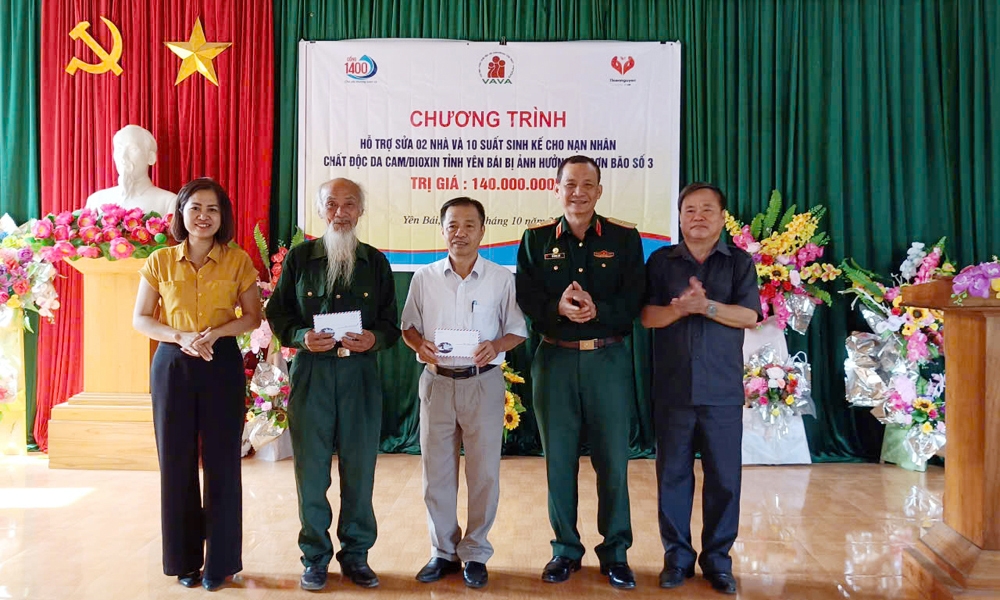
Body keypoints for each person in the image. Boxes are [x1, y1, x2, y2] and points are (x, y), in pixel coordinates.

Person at [515, 155, 645, 589]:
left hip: (606, 359)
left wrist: (597, 310)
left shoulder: (625, 239)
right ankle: (565, 550)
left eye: (588, 184)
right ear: (557, 188)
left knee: (613, 460)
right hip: (554, 359)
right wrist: (558, 308)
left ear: (599, 190)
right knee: (559, 461)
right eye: (570, 183)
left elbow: (633, 301)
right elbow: (528, 300)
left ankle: (616, 552)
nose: (579, 192)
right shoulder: (535, 240)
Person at [266, 178, 400, 591]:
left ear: (361, 210)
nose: (340, 212)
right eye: (331, 205)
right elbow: (278, 313)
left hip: (360, 375)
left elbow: (390, 325)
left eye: (349, 205)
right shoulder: (301, 257)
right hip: (312, 375)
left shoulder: (374, 261)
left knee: (360, 470)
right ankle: (315, 557)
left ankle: (356, 556)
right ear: (320, 210)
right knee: (311, 472)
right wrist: (299, 336)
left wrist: (374, 339)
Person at [133, 177, 262, 591]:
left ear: (222, 217)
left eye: (212, 210)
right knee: (176, 463)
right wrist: (180, 337)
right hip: (173, 363)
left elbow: (252, 317)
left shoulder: (237, 260)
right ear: (182, 214)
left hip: (220, 361)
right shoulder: (159, 261)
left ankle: (220, 564)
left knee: (224, 463)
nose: (203, 217)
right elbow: (142, 318)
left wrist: (218, 332)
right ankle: (184, 561)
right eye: (195, 208)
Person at [640, 182, 762, 595]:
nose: (698, 217)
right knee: (672, 477)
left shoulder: (740, 262)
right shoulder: (660, 262)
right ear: (679, 217)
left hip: (722, 389)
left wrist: (706, 306)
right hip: (672, 389)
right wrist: (680, 309)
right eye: (690, 210)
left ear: (723, 217)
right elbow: (646, 318)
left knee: (724, 479)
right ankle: (676, 559)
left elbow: (748, 315)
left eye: (707, 210)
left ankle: (717, 561)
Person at [400, 197, 527, 588]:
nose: (461, 233)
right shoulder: (424, 278)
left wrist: (497, 345)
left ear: (482, 231)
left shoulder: (501, 278)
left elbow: (517, 330)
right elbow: (408, 327)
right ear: (442, 230)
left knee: (484, 473)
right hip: (437, 383)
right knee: (436, 474)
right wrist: (417, 344)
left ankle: (475, 552)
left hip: (483, 383)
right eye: (453, 225)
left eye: (469, 225)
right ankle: (443, 551)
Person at [86, 124, 177, 216]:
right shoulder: (96, 200)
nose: (123, 156)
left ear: (151, 157)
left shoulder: (168, 202)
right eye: (119, 149)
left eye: (132, 149)